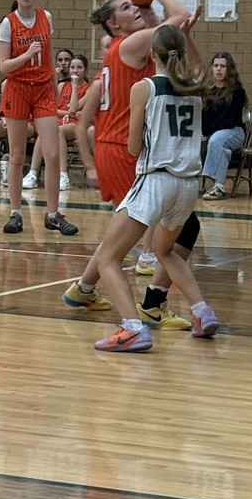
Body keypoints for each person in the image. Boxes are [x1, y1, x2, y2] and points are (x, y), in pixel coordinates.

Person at [63, 0, 202, 331]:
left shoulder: (128, 48)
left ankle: (83, 288)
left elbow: (170, 31)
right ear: (114, 24)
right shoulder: (130, 44)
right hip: (126, 150)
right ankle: (152, 305)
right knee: (182, 229)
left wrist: (152, 9)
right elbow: (179, 17)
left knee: (120, 234)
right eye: (127, 6)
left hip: (117, 148)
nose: (136, 9)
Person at [92, 25, 219, 352]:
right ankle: (202, 312)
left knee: (107, 258)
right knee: (164, 252)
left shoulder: (144, 87)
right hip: (188, 185)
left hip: (157, 180)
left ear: (152, 54)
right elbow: (199, 68)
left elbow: (133, 147)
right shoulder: (194, 89)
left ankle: (133, 329)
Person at [0, 0, 79, 236]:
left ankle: (53, 214)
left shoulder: (46, 17)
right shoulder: (8, 23)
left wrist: (54, 90)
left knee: (52, 154)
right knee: (17, 155)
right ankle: (16, 213)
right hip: (18, 89)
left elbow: (49, 57)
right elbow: (4, 67)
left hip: (43, 89)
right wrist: (26, 55)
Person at [22, 54, 90, 192]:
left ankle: (63, 176)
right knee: (44, 132)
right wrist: (67, 113)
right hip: (61, 121)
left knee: (59, 131)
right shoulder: (61, 85)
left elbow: (73, 108)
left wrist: (74, 88)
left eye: (79, 67)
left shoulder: (89, 88)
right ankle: (32, 174)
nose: (75, 70)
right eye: (73, 67)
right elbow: (52, 109)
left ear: (85, 70)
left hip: (77, 125)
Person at [200, 51, 248, 199]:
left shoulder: (237, 92)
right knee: (202, 140)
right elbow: (203, 119)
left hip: (234, 131)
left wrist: (209, 133)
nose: (219, 69)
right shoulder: (207, 92)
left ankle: (219, 186)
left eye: (222, 66)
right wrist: (202, 133)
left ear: (229, 69)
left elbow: (231, 120)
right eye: (216, 66)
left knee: (217, 139)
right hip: (214, 133)